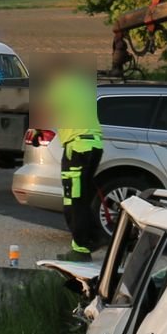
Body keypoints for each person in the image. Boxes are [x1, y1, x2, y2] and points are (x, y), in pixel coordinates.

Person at [49, 70, 105, 254]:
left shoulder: (58, 88)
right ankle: (94, 236)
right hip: (94, 146)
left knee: (72, 199)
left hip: (78, 148)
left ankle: (81, 246)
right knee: (83, 196)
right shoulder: (83, 89)